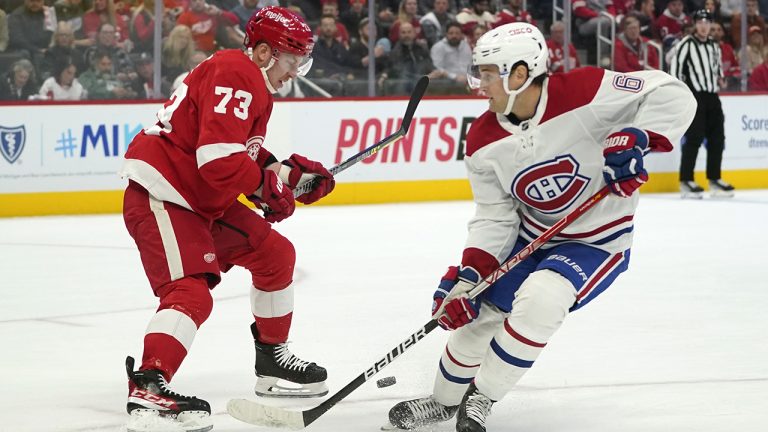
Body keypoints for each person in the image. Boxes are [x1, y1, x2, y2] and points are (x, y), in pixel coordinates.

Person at [384, 22, 696, 432]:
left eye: (489, 74)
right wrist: (470, 277)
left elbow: (673, 94)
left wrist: (636, 137)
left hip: (596, 241)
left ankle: (482, 397)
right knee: (480, 317)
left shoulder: (585, 91)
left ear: (519, 73)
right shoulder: (482, 138)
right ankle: (442, 402)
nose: (480, 85)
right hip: (531, 239)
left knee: (542, 299)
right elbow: (495, 216)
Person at [118, 7, 336, 431]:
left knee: (274, 255)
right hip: (166, 193)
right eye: (292, 60)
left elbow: (240, 153)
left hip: (199, 199)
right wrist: (264, 188)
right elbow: (217, 160)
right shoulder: (236, 72)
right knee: (191, 293)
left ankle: (272, 361)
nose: (295, 71)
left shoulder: (247, 78)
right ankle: (149, 386)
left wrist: (292, 177)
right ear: (262, 52)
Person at [670, 9, 735, 198]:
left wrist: (721, 79)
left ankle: (714, 179)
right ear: (695, 24)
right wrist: (681, 95)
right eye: (700, 22)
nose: (704, 26)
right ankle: (686, 180)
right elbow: (676, 69)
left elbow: (716, 66)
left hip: (712, 95)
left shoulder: (714, 45)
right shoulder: (686, 44)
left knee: (718, 139)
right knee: (694, 138)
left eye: (707, 22)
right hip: (695, 96)